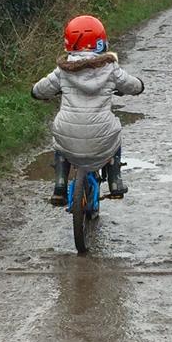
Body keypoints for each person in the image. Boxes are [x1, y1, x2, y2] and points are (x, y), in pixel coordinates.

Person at [31, 14, 144, 206]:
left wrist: (41, 92)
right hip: (101, 136)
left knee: (59, 139)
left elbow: (38, 91)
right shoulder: (110, 68)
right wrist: (139, 85)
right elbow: (133, 86)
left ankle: (59, 186)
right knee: (115, 131)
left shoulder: (63, 70)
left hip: (69, 134)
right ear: (101, 41)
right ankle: (115, 181)